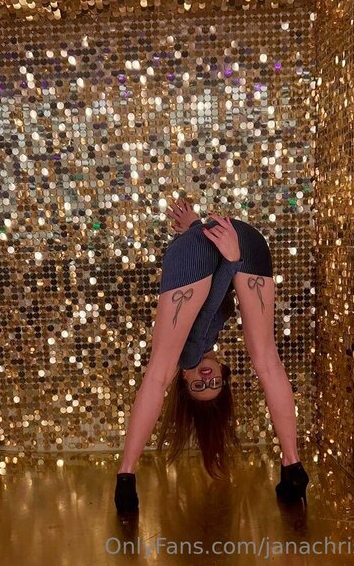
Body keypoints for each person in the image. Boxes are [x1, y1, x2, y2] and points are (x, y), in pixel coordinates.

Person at [114, 199, 309, 513]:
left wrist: (230, 260)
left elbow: (205, 311)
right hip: (239, 237)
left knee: (158, 374)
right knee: (267, 361)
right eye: (214, 384)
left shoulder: (187, 358)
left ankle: (126, 476)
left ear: (185, 379)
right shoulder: (206, 346)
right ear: (223, 374)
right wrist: (204, 235)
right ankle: (292, 463)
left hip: (221, 246)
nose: (206, 379)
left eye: (198, 386)